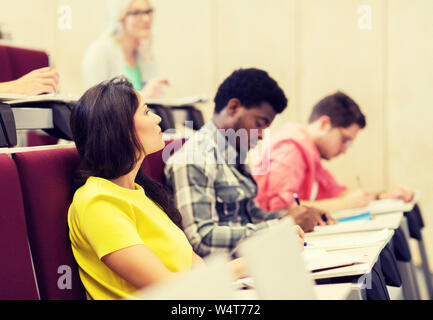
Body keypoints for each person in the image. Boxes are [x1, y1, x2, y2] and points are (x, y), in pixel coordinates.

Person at [67, 77, 248, 300]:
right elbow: (166, 288)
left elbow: (195, 267)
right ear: (119, 128)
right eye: (146, 112)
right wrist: (248, 263)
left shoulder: (141, 193)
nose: (158, 118)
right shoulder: (97, 202)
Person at [164, 68, 324, 259]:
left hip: (251, 265)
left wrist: (297, 216)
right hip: (227, 276)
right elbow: (201, 240)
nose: (261, 134)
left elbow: (249, 217)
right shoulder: (195, 158)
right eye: (259, 123)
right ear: (233, 108)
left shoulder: (234, 154)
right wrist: (281, 226)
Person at [252, 91, 414, 213]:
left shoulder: (310, 152)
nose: (344, 150)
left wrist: (381, 196)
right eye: (344, 140)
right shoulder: (290, 150)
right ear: (324, 124)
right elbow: (277, 211)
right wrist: (346, 205)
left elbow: (337, 193)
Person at [81, 0, 168, 98]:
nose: (146, 18)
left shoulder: (142, 51)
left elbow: (158, 100)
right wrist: (143, 96)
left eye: (148, 11)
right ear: (120, 17)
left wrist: (148, 59)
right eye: (137, 13)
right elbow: (94, 104)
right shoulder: (100, 51)